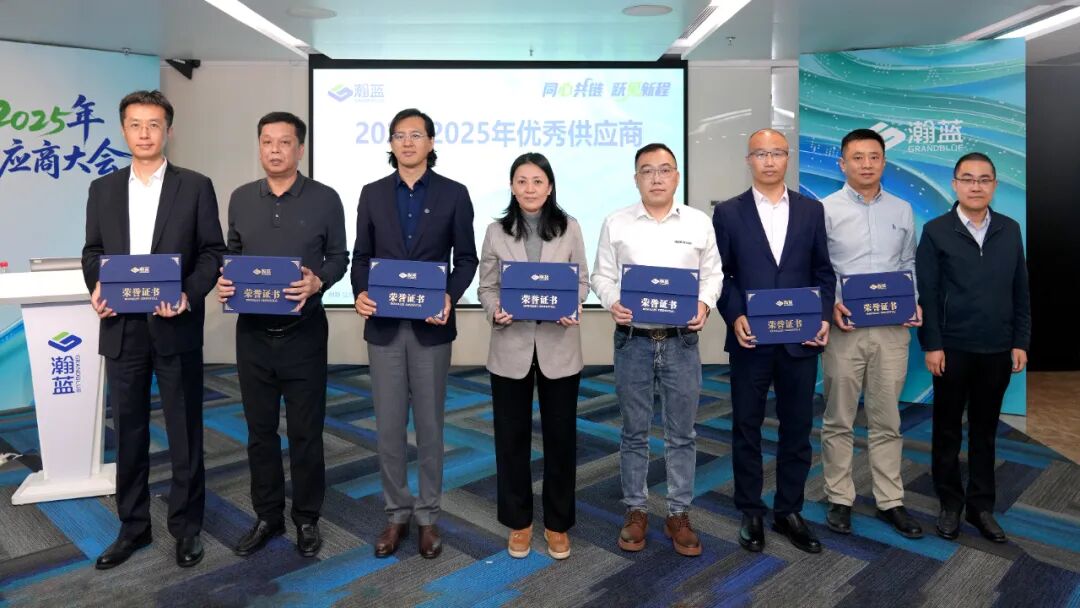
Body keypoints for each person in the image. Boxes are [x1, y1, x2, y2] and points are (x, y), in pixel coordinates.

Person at [81, 90, 225, 569]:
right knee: (129, 431)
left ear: (168, 130)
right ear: (124, 129)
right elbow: (92, 252)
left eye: (154, 125)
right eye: (136, 124)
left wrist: (187, 293)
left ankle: (186, 528)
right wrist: (97, 285)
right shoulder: (103, 189)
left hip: (174, 324)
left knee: (184, 431)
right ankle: (133, 527)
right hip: (122, 328)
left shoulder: (195, 186)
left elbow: (212, 252)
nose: (144, 133)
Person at [215, 111, 348, 558]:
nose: (274, 150)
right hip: (252, 335)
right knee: (260, 432)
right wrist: (224, 281)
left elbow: (339, 257)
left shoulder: (325, 198)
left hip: (303, 333)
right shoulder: (240, 198)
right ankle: (267, 516)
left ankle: (306, 518)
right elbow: (232, 255)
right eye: (267, 141)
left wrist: (319, 281)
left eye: (284, 142)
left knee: (306, 433)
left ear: (300, 149)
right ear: (259, 146)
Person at [351, 108, 478, 559]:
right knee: (388, 427)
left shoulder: (454, 194)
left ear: (431, 142)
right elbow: (361, 257)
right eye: (399, 135)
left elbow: (467, 258)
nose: (407, 142)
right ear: (390, 143)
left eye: (416, 135)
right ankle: (396, 514)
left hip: (431, 328)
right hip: (384, 327)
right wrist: (360, 292)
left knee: (429, 426)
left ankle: (427, 516)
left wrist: (448, 296)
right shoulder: (372, 193)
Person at [591, 142, 722, 557]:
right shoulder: (616, 222)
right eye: (647, 171)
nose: (657, 178)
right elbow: (601, 276)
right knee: (634, 431)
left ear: (676, 176)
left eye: (665, 170)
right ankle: (636, 510)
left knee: (682, 433)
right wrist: (612, 300)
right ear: (636, 179)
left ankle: (678, 513)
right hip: (634, 341)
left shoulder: (699, 223)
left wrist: (704, 304)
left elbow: (713, 275)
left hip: (681, 341)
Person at [712, 128, 835, 554]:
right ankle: (750, 509)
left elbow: (823, 272)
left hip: (801, 340)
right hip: (751, 340)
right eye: (760, 153)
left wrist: (822, 317)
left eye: (777, 153)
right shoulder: (728, 213)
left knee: (797, 428)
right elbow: (721, 275)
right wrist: (735, 315)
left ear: (788, 158)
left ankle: (789, 510)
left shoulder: (811, 210)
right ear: (748, 160)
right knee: (746, 426)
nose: (769, 161)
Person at [477, 152, 588, 560]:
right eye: (521, 181)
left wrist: (573, 304)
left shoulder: (570, 227)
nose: (529, 188)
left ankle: (557, 524)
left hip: (559, 346)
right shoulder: (496, 231)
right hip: (511, 346)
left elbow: (582, 280)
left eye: (537, 181)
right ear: (512, 186)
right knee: (511, 439)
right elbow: (486, 286)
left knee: (560, 440)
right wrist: (495, 311)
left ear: (550, 186)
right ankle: (519, 522)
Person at [916, 151, 1030, 543]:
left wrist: (1020, 340)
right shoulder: (936, 231)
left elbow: (1020, 289)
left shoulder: (1010, 229)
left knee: (985, 431)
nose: (975, 186)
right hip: (952, 348)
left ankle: (981, 507)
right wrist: (932, 344)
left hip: (997, 348)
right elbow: (928, 294)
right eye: (967, 179)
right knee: (947, 430)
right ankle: (950, 503)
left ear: (994, 185)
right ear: (955, 184)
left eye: (984, 179)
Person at [819, 128, 923, 539]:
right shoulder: (824, 210)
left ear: (884, 161)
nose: (866, 164)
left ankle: (890, 500)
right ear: (842, 164)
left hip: (892, 329)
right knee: (839, 417)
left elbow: (908, 262)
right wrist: (831, 305)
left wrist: (913, 300)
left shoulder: (902, 208)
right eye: (857, 157)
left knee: (887, 418)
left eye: (874, 157)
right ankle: (839, 497)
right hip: (845, 328)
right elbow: (819, 268)